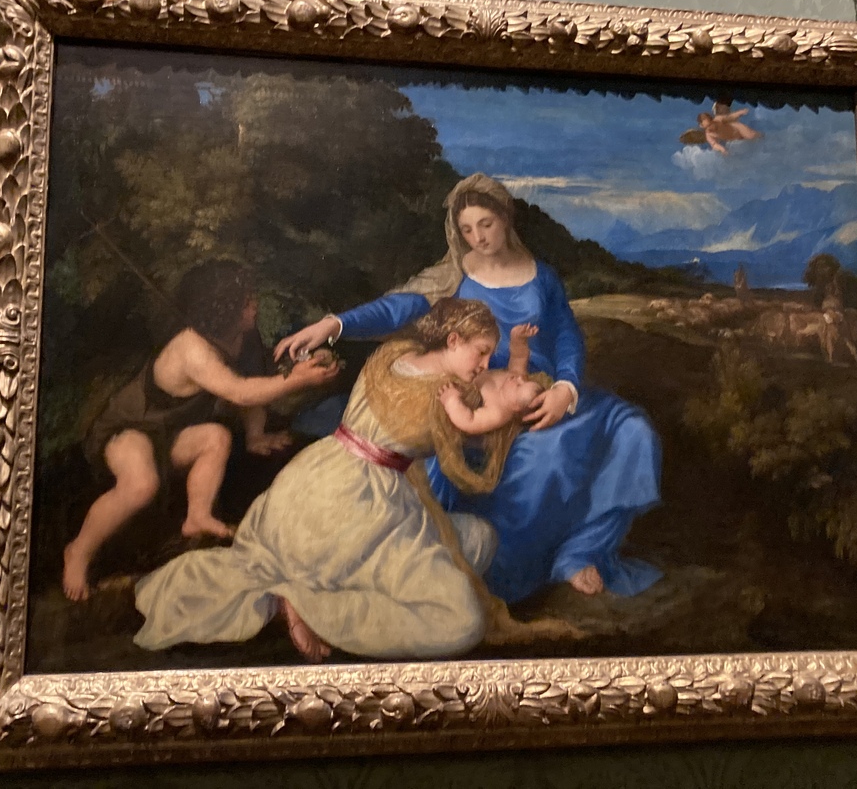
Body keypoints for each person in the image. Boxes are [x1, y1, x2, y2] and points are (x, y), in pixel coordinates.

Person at [275, 173, 662, 604]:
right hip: (479, 398)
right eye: (466, 229)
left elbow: (567, 335)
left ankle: (583, 552)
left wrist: (565, 390)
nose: (477, 237)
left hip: (537, 390)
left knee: (632, 430)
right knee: (531, 457)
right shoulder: (453, 275)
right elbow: (398, 307)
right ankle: (497, 574)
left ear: (506, 219)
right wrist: (335, 324)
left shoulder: (543, 276)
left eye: (486, 224)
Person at [133, 298, 518, 662]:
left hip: (314, 479)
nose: (485, 364)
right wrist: (512, 404)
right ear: (453, 340)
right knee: (463, 623)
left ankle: (316, 594)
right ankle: (308, 605)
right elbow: (477, 433)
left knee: (478, 539)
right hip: (364, 509)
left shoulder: (394, 354)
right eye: (482, 352)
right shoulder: (445, 398)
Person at [62, 261, 340, 602]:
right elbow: (240, 392)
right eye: (246, 302)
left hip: (172, 433)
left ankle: (197, 516)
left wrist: (256, 435)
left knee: (216, 437)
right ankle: (79, 551)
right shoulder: (192, 348)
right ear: (224, 309)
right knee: (141, 484)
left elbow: (254, 383)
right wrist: (297, 380)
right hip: (132, 429)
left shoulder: (242, 338)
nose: (254, 306)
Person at [439, 323, 546, 434]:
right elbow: (519, 357)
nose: (520, 379)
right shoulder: (516, 376)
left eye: (519, 386)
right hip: (468, 366)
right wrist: (518, 338)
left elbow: (469, 422)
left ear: (516, 406)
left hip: (458, 382)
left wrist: (451, 401)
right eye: (525, 381)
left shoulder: (497, 413)